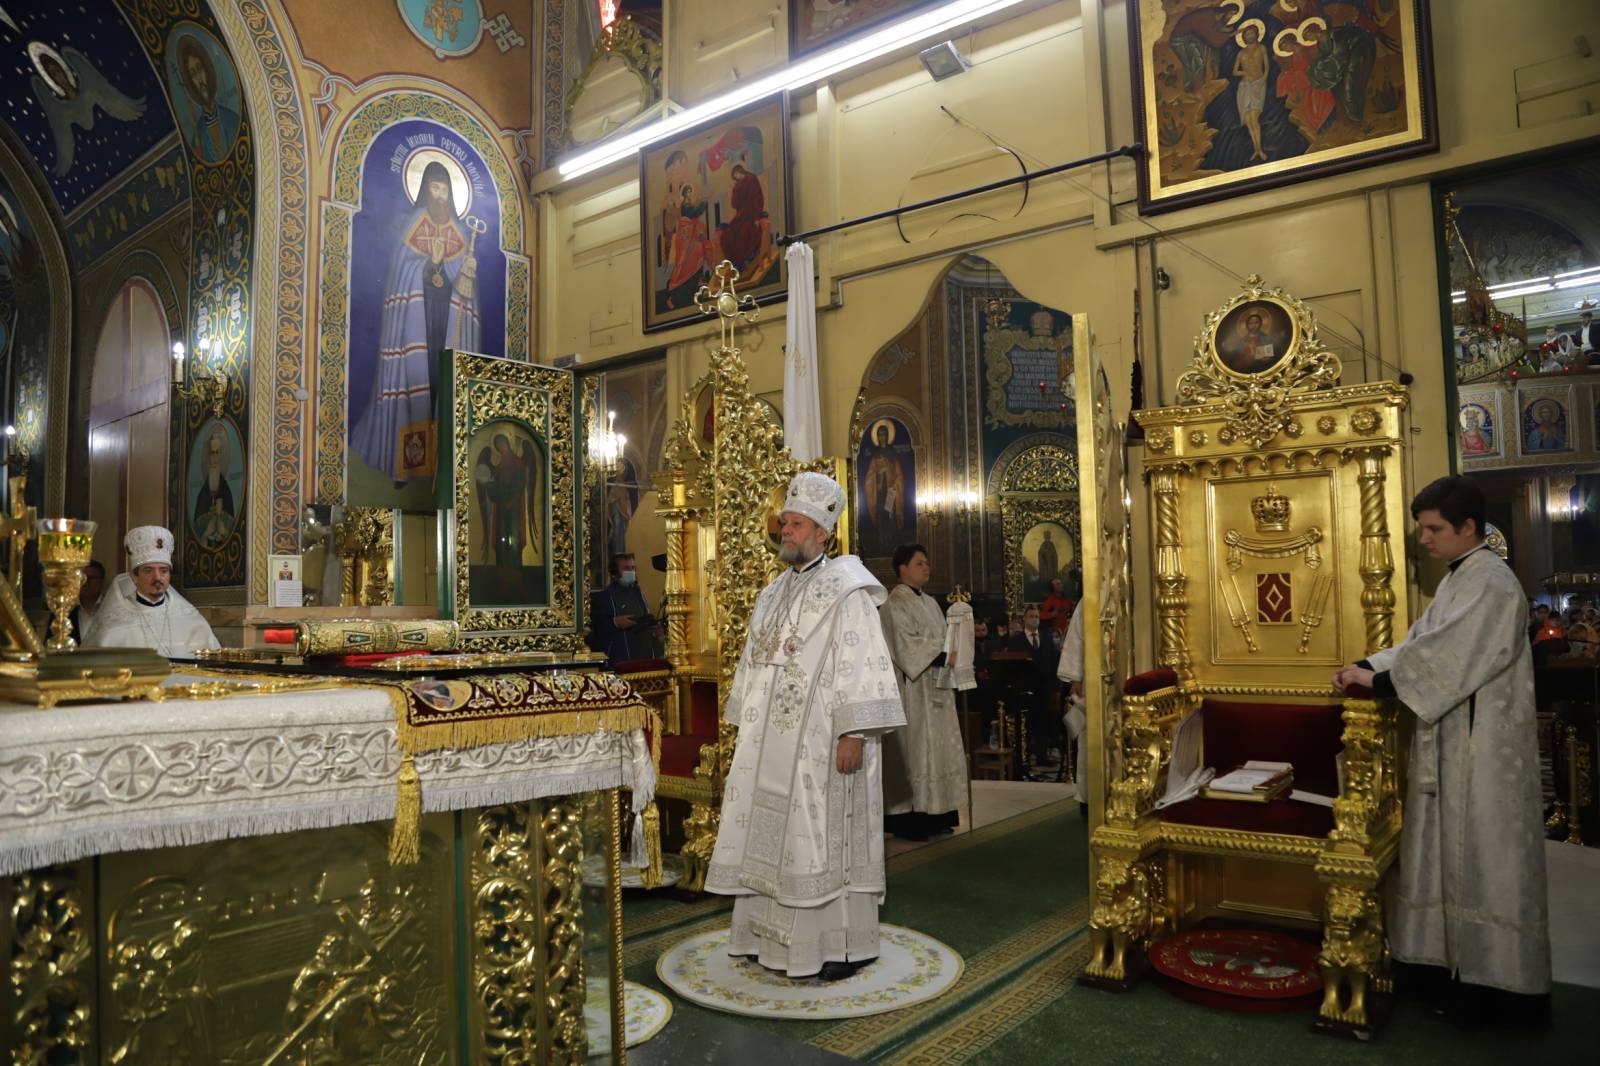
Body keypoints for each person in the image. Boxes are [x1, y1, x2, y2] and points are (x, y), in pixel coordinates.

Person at [1333, 476, 1549, 1027]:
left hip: (1483, 753)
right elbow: (1422, 644)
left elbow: (1453, 656)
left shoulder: (1492, 582)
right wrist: (1367, 665)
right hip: (1452, 743)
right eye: (1422, 529)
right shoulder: (1460, 578)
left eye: (1433, 529)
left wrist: (1378, 681)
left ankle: (1494, 993)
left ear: (1468, 527)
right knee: (1445, 855)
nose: (1424, 539)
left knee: (1485, 860)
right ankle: (1441, 973)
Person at [706, 472, 905, 981]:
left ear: (822, 533)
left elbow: (863, 663)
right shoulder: (772, 593)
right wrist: (746, 730)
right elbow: (756, 664)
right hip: (771, 742)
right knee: (772, 836)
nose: (785, 530)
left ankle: (838, 946)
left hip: (822, 740)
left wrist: (853, 733)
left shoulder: (849, 589)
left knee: (820, 838)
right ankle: (762, 937)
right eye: (785, 523)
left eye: (795, 524)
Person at [351, 160, 479, 485]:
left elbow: (464, 293)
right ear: (425, 191)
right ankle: (407, 467)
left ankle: (442, 467)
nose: (440, 195)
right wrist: (428, 264)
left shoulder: (461, 234)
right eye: (435, 188)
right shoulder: (414, 225)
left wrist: (466, 272)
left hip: (445, 327)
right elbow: (404, 274)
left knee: (442, 387)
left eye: (445, 189)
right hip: (416, 325)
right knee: (416, 387)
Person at [879, 544, 967, 841]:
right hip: (913, 691)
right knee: (917, 752)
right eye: (919, 563)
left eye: (927, 562)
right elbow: (906, 646)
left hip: (937, 686)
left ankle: (939, 814)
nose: (926, 567)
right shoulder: (894, 604)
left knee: (938, 750)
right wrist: (943, 653)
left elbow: (945, 638)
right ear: (902, 568)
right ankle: (912, 820)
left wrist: (957, 648)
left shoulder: (930, 602)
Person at [87, 526, 220, 658]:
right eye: (148, 570)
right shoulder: (114, 627)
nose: (157, 577)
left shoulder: (192, 621)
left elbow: (213, 663)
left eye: (164, 570)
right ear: (134, 577)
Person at [1006, 606, 1062, 767]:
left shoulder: (1046, 638)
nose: (1034, 618)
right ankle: (1023, 757)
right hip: (1024, 688)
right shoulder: (1016, 640)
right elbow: (1012, 665)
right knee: (1026, 724)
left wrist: (1055, 688)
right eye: (1031, 616)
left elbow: (1054, 663)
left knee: (1043, 722)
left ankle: (1041, 756)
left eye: (1036, 616)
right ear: (1024, 619)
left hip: (1044, 688)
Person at [588, 553, 660, 664]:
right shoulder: (605, 596)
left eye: (633, 568)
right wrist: (615, 623)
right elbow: (596, 630)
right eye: (626, 568)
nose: (631, 572)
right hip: (620, 658)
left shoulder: (638, 592)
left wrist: (655, 628)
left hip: (644, 654)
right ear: (614, 573)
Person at [1056, 600, 1087, 812]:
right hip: (1092, 677)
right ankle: (1088, 797)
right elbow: (1076, 638)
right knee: (1088, 741)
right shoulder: (1088, 601)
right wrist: (1076, 678)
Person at [68, 559, 105, 643]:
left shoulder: (112, 606)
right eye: (82, 578)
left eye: (91, 578)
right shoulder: (66, 611)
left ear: (102, 581)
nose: (85, 583)